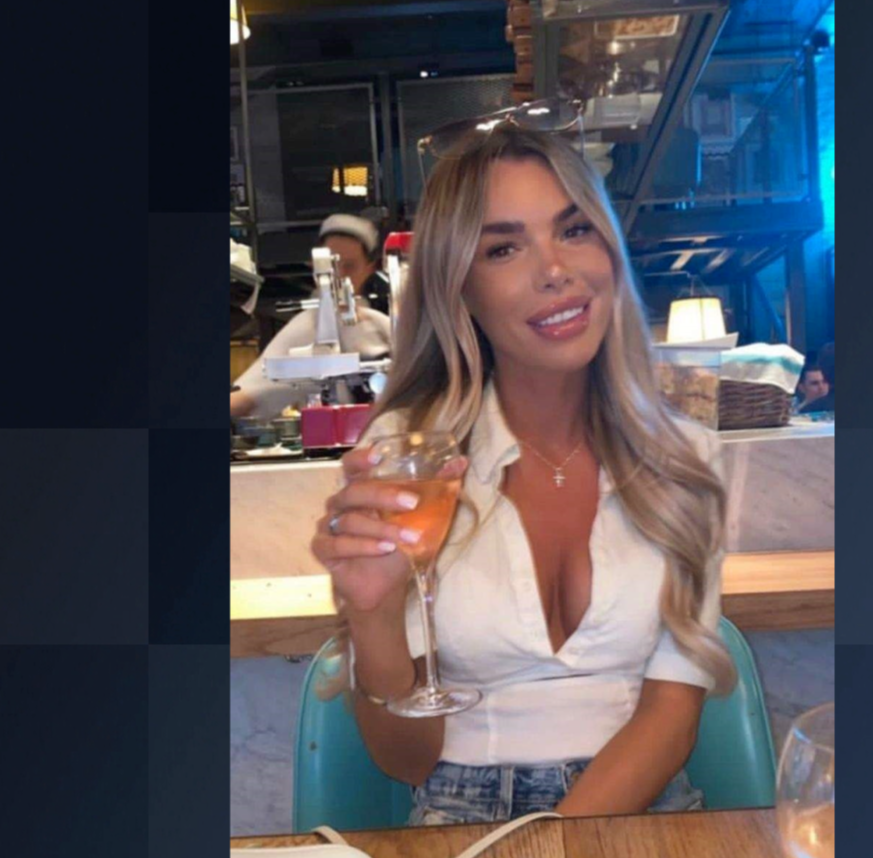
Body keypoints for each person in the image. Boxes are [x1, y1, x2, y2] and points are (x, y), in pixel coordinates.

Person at [309, 125, 736, 825]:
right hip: (459, 815)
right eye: (503, 248)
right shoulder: (410, 459)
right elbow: (407, 762)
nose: (555, 270)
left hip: (642, 811)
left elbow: (671, 714)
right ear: (459, 290)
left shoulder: (685, 458)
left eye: (574, 230)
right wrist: (373, 616)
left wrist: (549, 845)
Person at [230, 213, 393, 419]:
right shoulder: (307, 328)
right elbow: (249, 395)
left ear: (368, 269)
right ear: (315, 267)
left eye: (350, 266)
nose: (340, 275)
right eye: (331, 267)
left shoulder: (382, 326)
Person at [797, 341, 834, 414]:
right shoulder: (796, 414)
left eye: (824, 382)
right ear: (801, 388)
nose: (821, 387)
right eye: (815, 384)